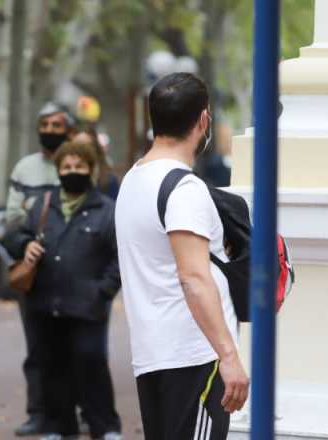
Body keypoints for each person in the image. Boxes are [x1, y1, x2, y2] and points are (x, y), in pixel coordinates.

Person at [114, 72, 248, 440]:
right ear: (203, 120)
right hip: (194, 356)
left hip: (154, 353)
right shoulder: (183, 189)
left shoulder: (132, 180)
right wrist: (229, 356)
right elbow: (193, 276)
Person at [3, 140, 123, 440]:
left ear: (90, 170)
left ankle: (105, 426)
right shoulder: (44, 205)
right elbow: (15, 236)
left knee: (91, 363)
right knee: (53, 367)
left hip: (88, 305)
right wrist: (24, 245)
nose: (72, 172)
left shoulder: (106, 210)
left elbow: (120, 257)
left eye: (79, 166)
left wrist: (103, 291)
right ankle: (58, 426)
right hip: (46, 302)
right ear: (58, 171)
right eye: (67, 167)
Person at [4, 102, 79, 436]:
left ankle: (80, 412)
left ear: (70, 130)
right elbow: (11, 220)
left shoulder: (81, 163)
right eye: (44, 124)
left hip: (77, 273)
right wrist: (25, 244)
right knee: (37, 348)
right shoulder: (25, 169)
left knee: (80, 347)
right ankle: (38, 413)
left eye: (57, 125)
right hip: (36, 272)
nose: (50, 130)